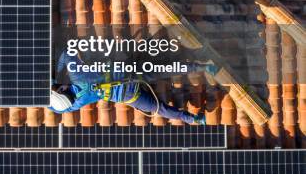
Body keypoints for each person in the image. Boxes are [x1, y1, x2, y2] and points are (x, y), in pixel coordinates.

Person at [49, 50, 220, 125]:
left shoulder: (76, 103)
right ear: (63, 90)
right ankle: (204, 67)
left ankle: (194, 120)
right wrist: (55, 75)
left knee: (159, 109)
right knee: (167, 68)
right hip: (128, 72)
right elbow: (67, 53)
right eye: (59, 87)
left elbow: (60, 110)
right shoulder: (75, 76)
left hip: (129, 95)